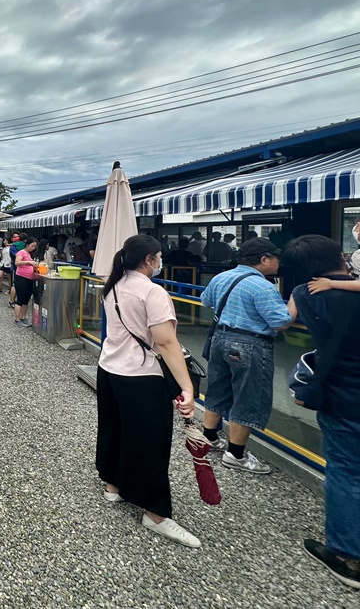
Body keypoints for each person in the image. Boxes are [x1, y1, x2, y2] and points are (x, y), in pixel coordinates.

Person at [96, 234, 201, 549]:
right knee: (150, 442)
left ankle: (113, 485)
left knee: (114, 428)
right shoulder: (152, 292)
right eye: (158, 256)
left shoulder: (112, 284)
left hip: (110, 368)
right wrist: (187, 386)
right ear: (149, 259)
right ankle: (155, 513)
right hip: (141, 375)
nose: (159, 262)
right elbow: (166, 342)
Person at [280, 235, 360, 589]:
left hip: (340, 394)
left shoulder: (302, 293)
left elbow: (282, 321)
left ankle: (347, 555)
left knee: (345, 470)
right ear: (342, 257)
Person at [200, 237, 295, 474]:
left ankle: (209, 437)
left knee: (218, 388)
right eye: (276, 258)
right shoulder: (263, 286)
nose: (278, 263)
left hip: (219, 339)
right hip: (250, 344)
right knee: (248, 396)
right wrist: (295, 302)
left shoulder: (222, 277)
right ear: (264, 259)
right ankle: (236, 454)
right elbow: (281, 322)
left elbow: (205, 301)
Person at [13, 237, 39, 327]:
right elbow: (17, 262)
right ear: (27, 244)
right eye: (32, 246)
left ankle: (23, 317)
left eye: (34, 246)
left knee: (26, 300)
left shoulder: (29, 254)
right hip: (21, 278)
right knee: (20, 299)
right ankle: (17, 319)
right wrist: (29, 262)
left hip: (30, 278)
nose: (33, 248)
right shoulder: (21, 252)